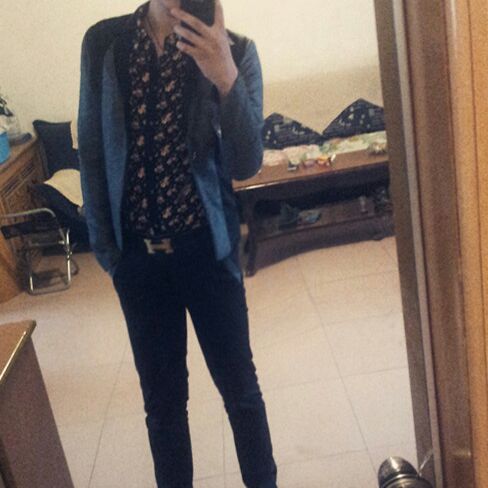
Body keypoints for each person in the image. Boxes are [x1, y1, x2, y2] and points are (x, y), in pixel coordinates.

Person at [77, 0, 277, 487]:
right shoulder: (104, 43)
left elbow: (247, 162)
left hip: (208, 252)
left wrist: (224, 76)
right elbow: (93, 150)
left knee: (241, 393)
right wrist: (109, 252)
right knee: (163, 407)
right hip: (138, 263)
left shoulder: (237, 51)